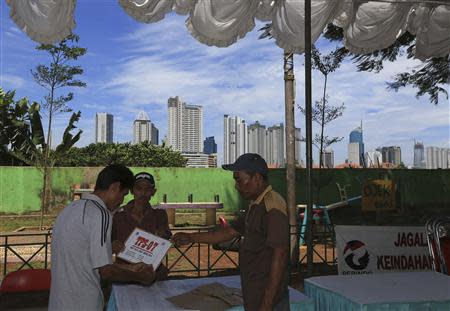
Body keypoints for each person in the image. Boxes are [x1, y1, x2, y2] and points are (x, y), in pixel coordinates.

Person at [172, 153, 290, 311]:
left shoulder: (272, 207)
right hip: (255, 292)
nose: (236, 186)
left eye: (239, 180)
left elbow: (280, 255)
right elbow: (226, 233)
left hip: (268, 300)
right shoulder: (255, 205)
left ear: (257, 179)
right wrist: (191, 237)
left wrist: (267, 304)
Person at [49, 165, 156, 311]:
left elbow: (89, 262)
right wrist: (140, 277)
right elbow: (105, 271)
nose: (121, 201)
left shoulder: (70, 209)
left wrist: (131, 268)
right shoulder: (101, 213)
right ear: (115, 187)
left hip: (59, 302)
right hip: (83, 302)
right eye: (123, 194)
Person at [112, 172, 171, 280]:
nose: (143, 193)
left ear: (153, 192)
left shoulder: (160, 215)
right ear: (132, 191)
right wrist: (112, 245)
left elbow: (166, 237)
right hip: (125, 274)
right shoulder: (117, 215)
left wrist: (162, 235)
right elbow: (107, 244)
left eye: (148, 189)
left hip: (153, 274)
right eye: (139, 188)